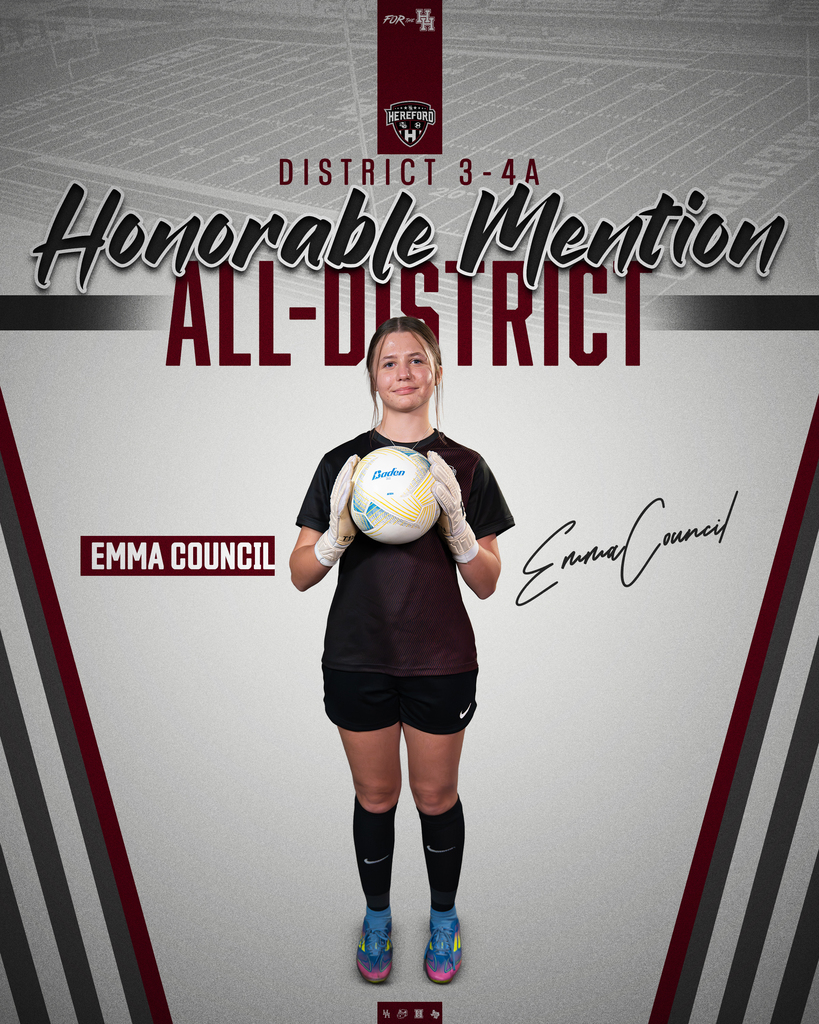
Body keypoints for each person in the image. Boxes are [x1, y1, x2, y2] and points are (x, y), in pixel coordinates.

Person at [290, 316, 514, 984]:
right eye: (388, 362)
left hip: (440, 658)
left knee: (436, 793)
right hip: (357, 656)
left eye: (416, 360)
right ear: (372, 378)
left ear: (436, 372)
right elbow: (300, 573)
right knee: (375, 794)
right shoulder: (342, 463)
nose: (404, 372)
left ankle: (443, 919)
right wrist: (332, 537)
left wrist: (458, 529)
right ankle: (378, 917)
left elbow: (488, 584)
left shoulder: (466, 465)